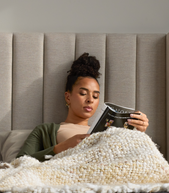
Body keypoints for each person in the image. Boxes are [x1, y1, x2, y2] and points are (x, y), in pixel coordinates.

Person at [16, 53, 150, 161]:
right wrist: (60, 148)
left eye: (96, 96)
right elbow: (18, 163)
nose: (90, 100)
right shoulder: (45, 130)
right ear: (68, 97)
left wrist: (138, 133)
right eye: (83, 93)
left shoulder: (107, 131)